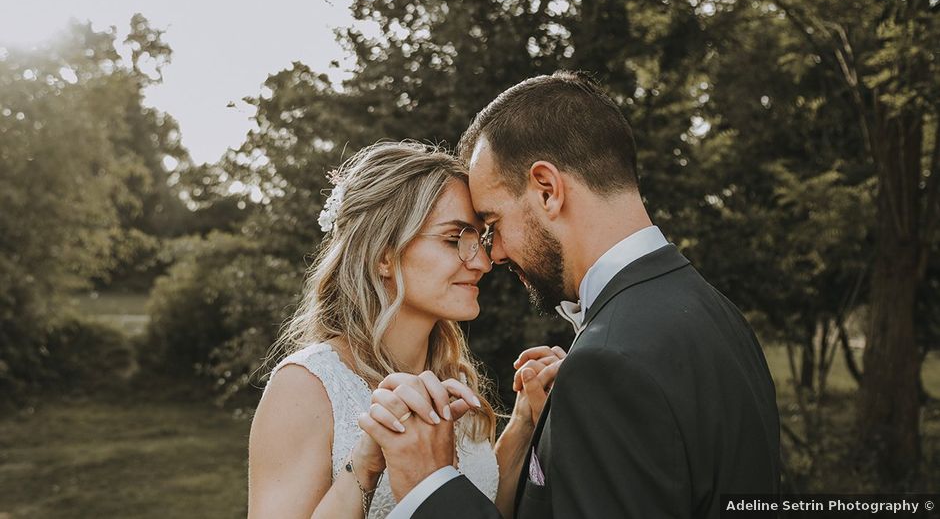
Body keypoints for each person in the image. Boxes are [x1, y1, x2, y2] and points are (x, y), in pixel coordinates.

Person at [358, 72, 782, 518]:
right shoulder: (719, 315)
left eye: (493, 223)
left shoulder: (608, 362)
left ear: (547, 190)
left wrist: (433, 486)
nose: (494, 255)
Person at [247, 141, 564, 518]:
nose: (483, 261)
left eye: (478, 240)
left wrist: (525, 424)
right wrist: (364, 467)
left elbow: (476, 510)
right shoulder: (306, 385)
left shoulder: (453, 375)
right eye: (453, 240)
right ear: (383, 254)